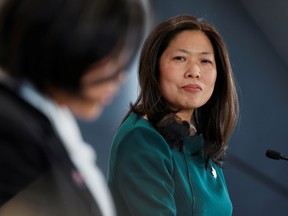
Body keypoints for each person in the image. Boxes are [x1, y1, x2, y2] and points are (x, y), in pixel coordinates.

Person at [0, 0, 148, 215]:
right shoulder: (11, 132)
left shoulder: (45, 116)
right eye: (112, 56)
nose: (120, 76)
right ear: (67, 40)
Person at [108, 14, 239, 216]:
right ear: (154, 66)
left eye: (205, 61)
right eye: (180, 58)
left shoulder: (198, 139)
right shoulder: (143, 139)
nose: (194, 71)